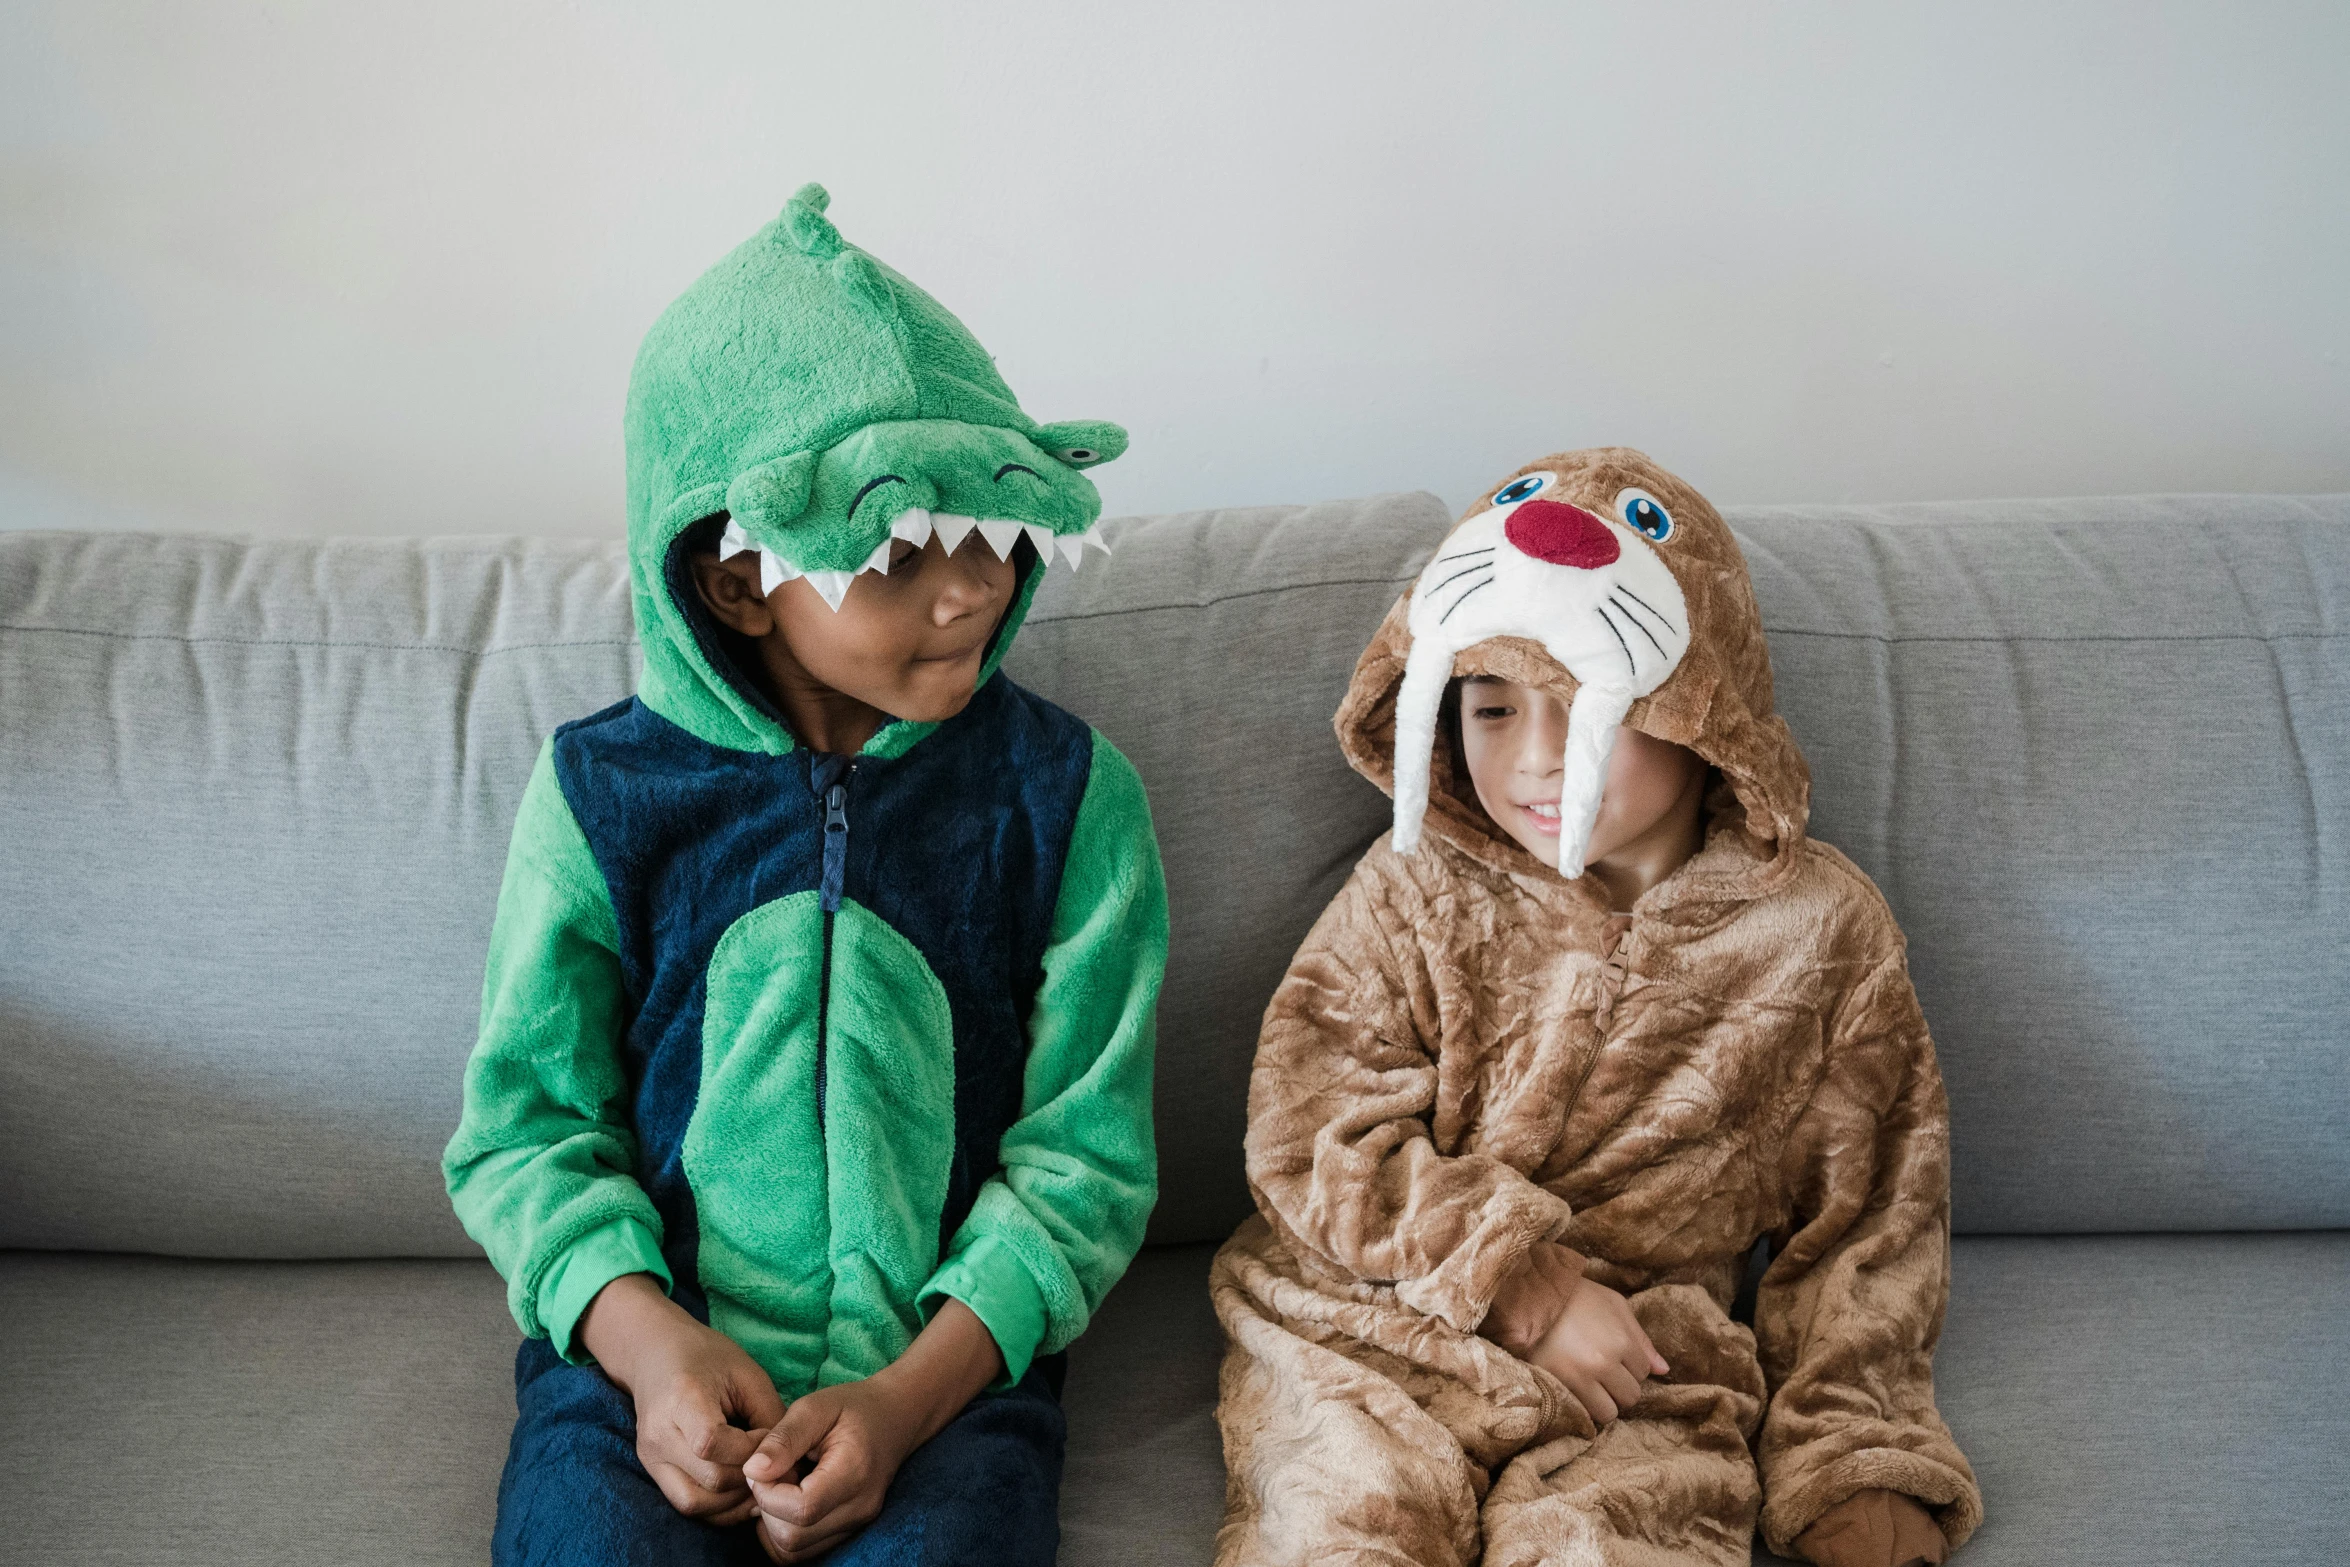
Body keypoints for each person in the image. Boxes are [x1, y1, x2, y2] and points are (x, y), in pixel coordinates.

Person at [443, 185, 1167, 1567]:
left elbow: (1082, 1160)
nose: (969, 589)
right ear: (733, 581)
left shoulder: (1070, 798)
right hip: (631, 1373)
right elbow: (522, 1129)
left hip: (947, 1382)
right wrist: (646, 1346)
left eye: (993, 527)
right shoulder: (599, 798)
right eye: (899, 550)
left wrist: (903, 1401)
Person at [1210, 448, 1981, 1567]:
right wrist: (1515, 1278)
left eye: (1587, 710)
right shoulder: (1413, 883)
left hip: (1644, 1368)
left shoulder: (1819, 934)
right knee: (1339, 1530)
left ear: (1693, 713)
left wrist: (1853, 1447)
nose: (1531, 761)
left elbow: (1866, 1224)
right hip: (1370, 1328)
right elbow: (1311, 1128)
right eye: (1487, 707)